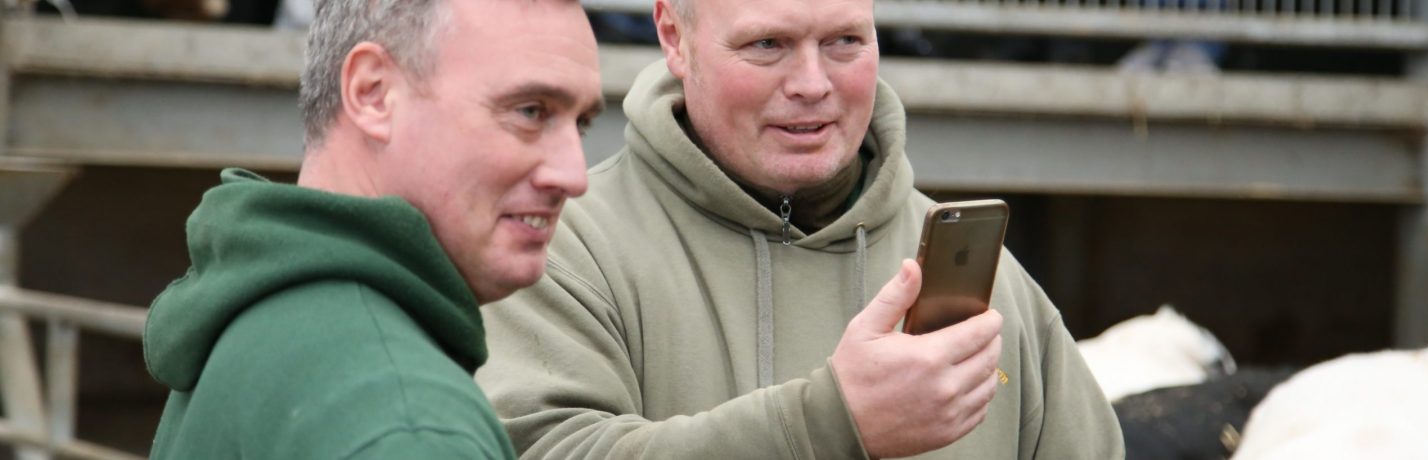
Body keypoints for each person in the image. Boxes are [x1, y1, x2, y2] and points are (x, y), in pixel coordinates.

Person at [476, 0, 1122, 458]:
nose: (812, 84)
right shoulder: (563, 250)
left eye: (845, 40)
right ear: (674, 35)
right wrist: (828, 425)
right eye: (768, 45)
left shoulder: (995, 287)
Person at [142, 0, 601, 457]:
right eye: (531, 112)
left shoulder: (264, 304)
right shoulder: (408, 423)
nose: (574, 175)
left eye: (580, 123)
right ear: (372, 93)